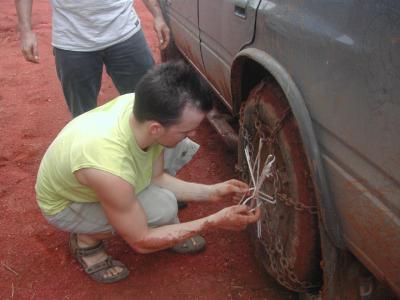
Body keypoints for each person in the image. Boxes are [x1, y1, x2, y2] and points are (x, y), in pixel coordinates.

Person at [35, 61, 260, 283]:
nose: (192, 135)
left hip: (108, 175)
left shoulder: (145, 109)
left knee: (168, 177)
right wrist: (212, 222)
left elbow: (157, 177)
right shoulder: (109, 166)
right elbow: (141, 241)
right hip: (66, 204)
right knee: (162, 210)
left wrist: (213, 192)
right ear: (155, 128)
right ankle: (86, 239)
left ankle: (154, 223)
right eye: (186, 131)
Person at [15, 0, 169, 117]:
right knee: (83, 116)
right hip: (73, 42)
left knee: (149, 104)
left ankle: (152, 156)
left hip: (125, 33)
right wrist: (26, 31)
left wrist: (158, 15)